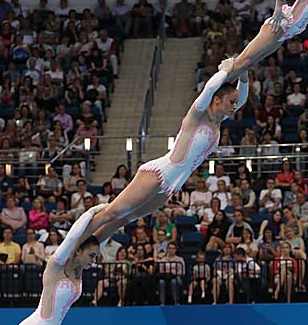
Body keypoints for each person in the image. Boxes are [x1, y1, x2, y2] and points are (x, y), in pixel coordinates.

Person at [74, 59, 248, 246]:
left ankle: (87, 252)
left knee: (123, 219)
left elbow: (242, 99)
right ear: (216, 100)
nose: (234, 106)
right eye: (231, 101)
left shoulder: (217, 124)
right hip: (159, 173)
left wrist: (243, 73)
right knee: (111, 213)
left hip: (170, 186)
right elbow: (210, 87)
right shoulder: (198, 115)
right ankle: (71, 247)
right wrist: (226, 70)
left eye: (234, 103)